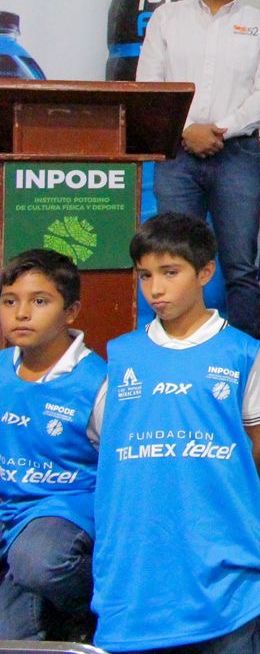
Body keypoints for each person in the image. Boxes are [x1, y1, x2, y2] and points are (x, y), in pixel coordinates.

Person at [93, 212, 260, 653]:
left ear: (205, 272)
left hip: (225, 584)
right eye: (145, 275)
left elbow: (256, 446)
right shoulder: (120, 356)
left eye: (170, 273)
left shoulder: (243, 353)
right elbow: (104, 444)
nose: (155, 289)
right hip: (135, 586)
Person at [136, 0, 260, 339]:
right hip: (176, 153)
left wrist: (220, 130)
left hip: (236, 155)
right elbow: (150, 85)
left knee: (239, 265)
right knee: (172, 259)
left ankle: (247, 359)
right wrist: (187, 132)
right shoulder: (167, 18)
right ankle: (173, 350)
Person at [0, 250, 105, 640]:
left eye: (39, 301)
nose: (21, 313)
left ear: (71, 311)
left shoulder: (98, 383)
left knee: (38, 562)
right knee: (11, 636)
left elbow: (121, 475)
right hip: (10, 513)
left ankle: (92, 610)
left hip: (63, 514)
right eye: (10, 301)